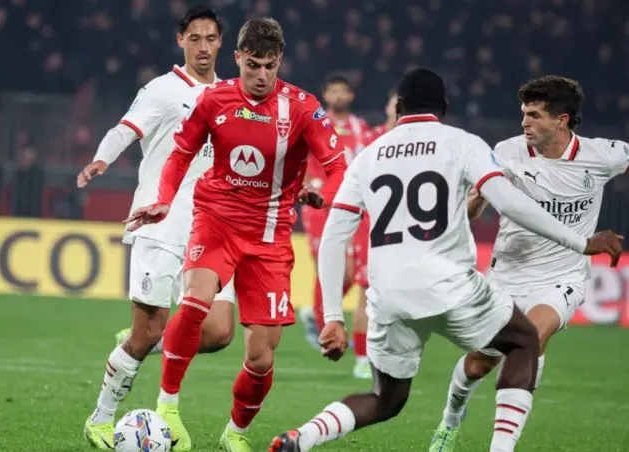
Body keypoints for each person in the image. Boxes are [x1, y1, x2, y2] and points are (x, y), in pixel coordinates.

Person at [268, 68, 623, 452]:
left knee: (385, 399)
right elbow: (507, 202)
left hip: (388, 294)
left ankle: (300, 438)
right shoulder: (461, 143)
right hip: (450, 284)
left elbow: (336, 236)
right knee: (523, 343)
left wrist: (334, 317)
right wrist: (580, 241)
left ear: (399, 107)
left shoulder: (368, 156)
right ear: (445, 108)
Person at [124, 18, 348, 452]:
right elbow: (182, 152)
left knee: (261, 357)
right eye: (252, 66)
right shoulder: (213, 99)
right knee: (193, 303)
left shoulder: (302, 107)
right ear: (238, 59)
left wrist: (325, 194)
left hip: (270, 235)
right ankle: (167, 407)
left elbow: (338, 166)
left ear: (279, 60)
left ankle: (236, 433)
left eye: (269, 66)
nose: (261, 76)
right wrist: (167, 198)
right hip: (217, 219)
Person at [429, 75, 629, 451]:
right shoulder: (506, 151)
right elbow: (471, 211)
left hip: (561, 277)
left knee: (530, 338)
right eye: (523, 114)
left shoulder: (603, 155)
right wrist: (475, 200)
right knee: (478, 364)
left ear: (562, 120)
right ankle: (450, 420)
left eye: (535, 116)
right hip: (508, 274)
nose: (525, 123)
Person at [77, 7, 237, 450]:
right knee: (147, 332)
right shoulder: (162, 90)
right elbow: (125, 128)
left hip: (213, 230)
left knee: (220, 332)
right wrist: (102, 159)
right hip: (161, 224)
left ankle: (143, 339)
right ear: (181, 40)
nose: (203, 47)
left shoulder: (233, 95)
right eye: (195, 38)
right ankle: (101, 418)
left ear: (221, 43)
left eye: (211, 38)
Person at [299, 73, 372, 379]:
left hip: (356, 206)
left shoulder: (360, 128)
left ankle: (320, 319)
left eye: (344, 91)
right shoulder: (316, 122)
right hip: (321, 206)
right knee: (330, 268)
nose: (339, 96)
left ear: (351, 96)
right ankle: (324, 323)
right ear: (326, 94)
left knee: (360, 273)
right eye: (333, 90)